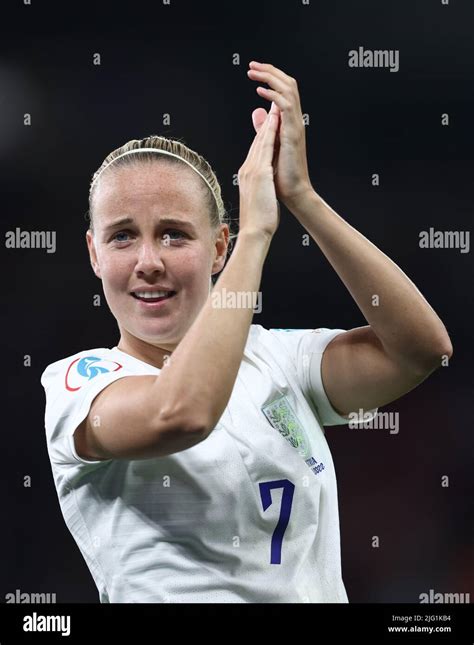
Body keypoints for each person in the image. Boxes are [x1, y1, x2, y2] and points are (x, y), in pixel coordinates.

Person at [40, 61, 453, 603]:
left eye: (173, 234)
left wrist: (302, 197)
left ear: (218, 248)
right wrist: (258, 232)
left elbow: (421, 349)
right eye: (121, 237)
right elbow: (182, 413)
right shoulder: (78, 384)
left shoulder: (280, 359)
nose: (149, 261)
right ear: (94, 254)